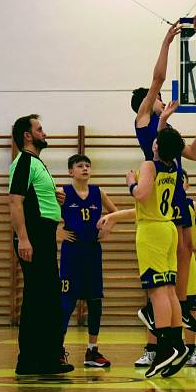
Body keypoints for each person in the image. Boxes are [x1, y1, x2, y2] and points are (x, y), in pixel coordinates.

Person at [131, 23, 196, 336]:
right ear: (147, 102)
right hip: (157, 187)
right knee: (170, 255)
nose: (162, 99)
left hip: (173, 185)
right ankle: (158, 311)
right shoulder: (145, 121)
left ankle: (179, 305)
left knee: (187, 248)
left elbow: (193, 153)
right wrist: (166, 42)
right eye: (158, 98)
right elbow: (158, 79)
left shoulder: (168, 134)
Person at [100, 170, 196, 367]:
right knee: (157, 306)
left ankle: (190, 349)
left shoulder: (192, 205)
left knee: (189, 308)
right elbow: (132, 213)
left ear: (186, 186)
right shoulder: (159, 207)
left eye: (183, 181)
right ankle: (152, 349)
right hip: (164, 256)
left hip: (186, 262)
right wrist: (113, 217)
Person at [9, 114, 73, 375]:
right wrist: (23, 238)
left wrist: (55, 198)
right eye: (39, 129)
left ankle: (42, 358)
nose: (44, 133)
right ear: (28, 135)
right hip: (33, 235)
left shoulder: (37, 163)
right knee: (39, 298)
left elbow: (36, 198)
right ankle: (33, 360)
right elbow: (15, 201)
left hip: (44, 234)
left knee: (44, 298)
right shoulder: (24, 161)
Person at [125, 127, 192, 378]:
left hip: (152, 229)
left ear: (155, 146)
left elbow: (141, 195)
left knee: (157, 291)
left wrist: (131, 180)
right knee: (169, 290)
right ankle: (177, 343)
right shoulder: (174, 167)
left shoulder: (150, 167)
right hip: (168, 228)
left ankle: (164, 348)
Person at [58, 154, 117, 368]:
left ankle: (92, 351)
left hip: (92, 251)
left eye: (87, 166)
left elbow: (115, 214)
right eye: (79, 166)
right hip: (71, 252)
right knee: (66, 302)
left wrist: (108, 226)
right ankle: (57, 349)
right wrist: (57, 229)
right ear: (70, 171)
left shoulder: (97, 193)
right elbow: (43, 213)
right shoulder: (62, 192)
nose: (84, 169)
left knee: (95, 301)